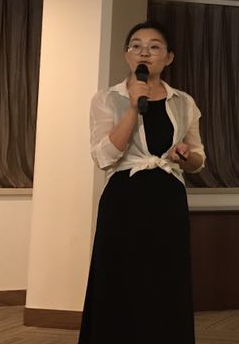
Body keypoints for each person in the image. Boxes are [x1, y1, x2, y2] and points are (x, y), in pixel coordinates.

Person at [79, 20, 205, 344]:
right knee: (119, 277)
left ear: (168, 57)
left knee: (165, 278)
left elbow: (198, 159)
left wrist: (185, 154)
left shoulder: (183, 102)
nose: (144, 53)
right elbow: (104, 156)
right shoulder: (107, 98)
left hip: (168, 198)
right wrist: (133, 107)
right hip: (124, 198)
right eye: (136, 46)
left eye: (154, 47)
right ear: (127, 55)